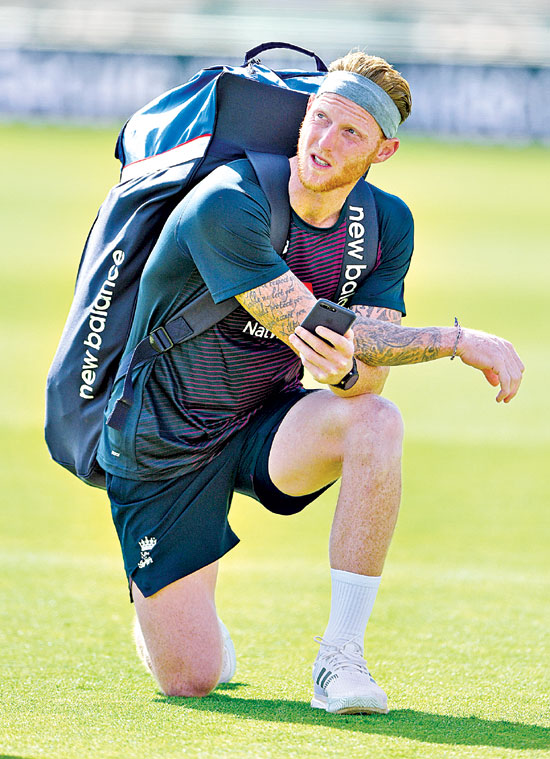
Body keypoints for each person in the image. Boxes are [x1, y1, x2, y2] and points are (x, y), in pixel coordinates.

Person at [97, 50, 524, 715]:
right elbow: (315, 322)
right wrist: (458, 341)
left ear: (384, 151)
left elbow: (366, 376)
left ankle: (341, 658)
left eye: (351, 132)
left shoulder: (385, 223)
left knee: (377, 423)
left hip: (265, 419)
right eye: (320, 119)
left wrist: (347, 373)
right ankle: (166, 602)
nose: (325, 141)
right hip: (165, 436)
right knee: (192, 676)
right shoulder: (228, 201)